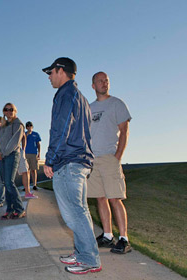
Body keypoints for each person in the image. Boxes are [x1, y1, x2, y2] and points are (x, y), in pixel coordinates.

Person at [42, 57, 101, 274]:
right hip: (79, 161)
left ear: (61, 71)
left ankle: (89, 258)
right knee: (80, 211)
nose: (49, 77)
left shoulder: (65, 94)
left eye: (51, 72)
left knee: (75, 213)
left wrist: (50, 159)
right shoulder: (81, 97)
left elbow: (61, 128)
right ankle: (82, 252)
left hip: (69, 162)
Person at [88, 71, 132, 254]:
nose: (104, 83)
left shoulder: (116, 104)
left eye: (106, 80)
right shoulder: (89, 108)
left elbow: (124, 130)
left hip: (109, 158)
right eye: (100, 81)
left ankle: (124, 239)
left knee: (114, 198)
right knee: (100, 198)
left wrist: (117, 157)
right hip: (93, 160)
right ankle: (107, 235)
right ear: (93, 86)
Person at [0, 103, 26, 220]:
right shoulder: (3, 125)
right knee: (5, 183)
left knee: (9, 182)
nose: (9, 112)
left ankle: (20, 209)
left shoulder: (18, 124)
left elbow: (15, 142)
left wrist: (3, 153)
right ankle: (10, 210)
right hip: (1, 157)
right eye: (6, 110)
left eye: (11, 109)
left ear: (15, 111)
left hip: (11, 155)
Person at [25, 121, 41, 191]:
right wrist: (26, 135)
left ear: (32, 127)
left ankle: (34, 184)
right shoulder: (24, 134)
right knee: (26, 170)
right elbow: (21, 143)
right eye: (27, 126)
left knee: (33, 170)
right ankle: (27, 186)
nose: (29, 127)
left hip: (34, 153)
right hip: (26, 153)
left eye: (30, 126)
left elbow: (38, 144)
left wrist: (39, 153)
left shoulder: (36, 134)